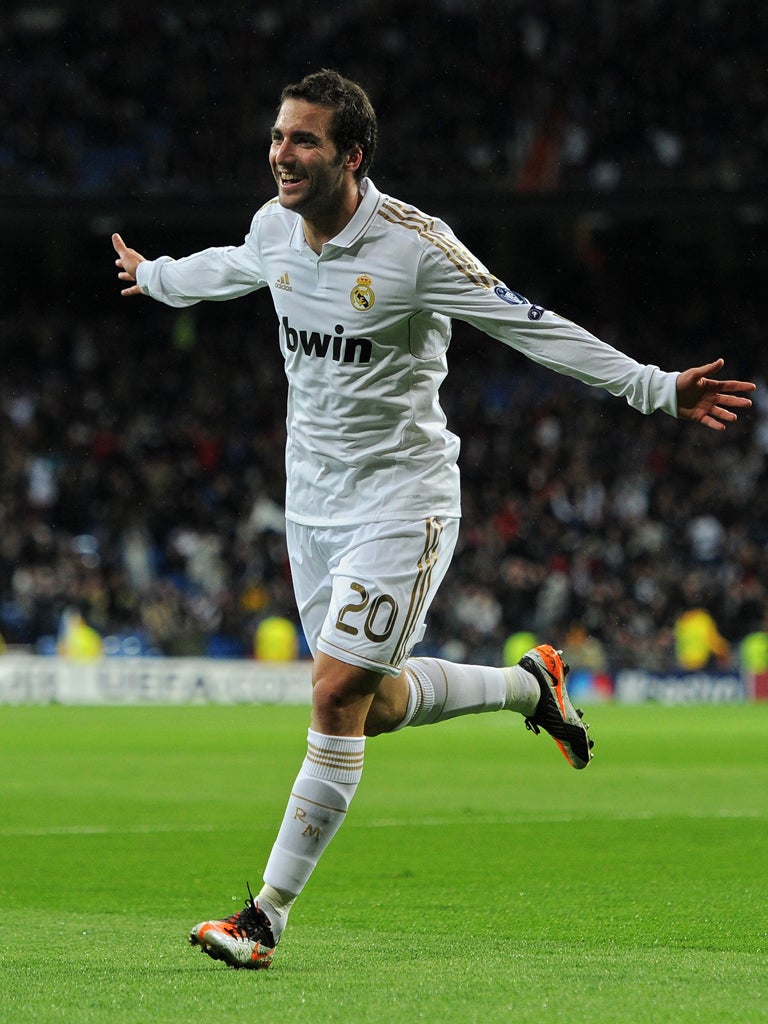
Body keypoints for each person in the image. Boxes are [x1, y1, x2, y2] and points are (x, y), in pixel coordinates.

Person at [112, 69, 755, 970]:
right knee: (367, 710)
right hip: (314, 511)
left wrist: (654, 389)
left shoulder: (417, 250)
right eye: (277, 137)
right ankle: (533, 686)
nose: (281, 156)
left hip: (400, 502)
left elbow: (529, 324)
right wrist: (159, 277)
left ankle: (264, 917)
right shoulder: (274, 228)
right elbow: (228, 267)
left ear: (352, 156)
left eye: (303, 141)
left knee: (333, 695)